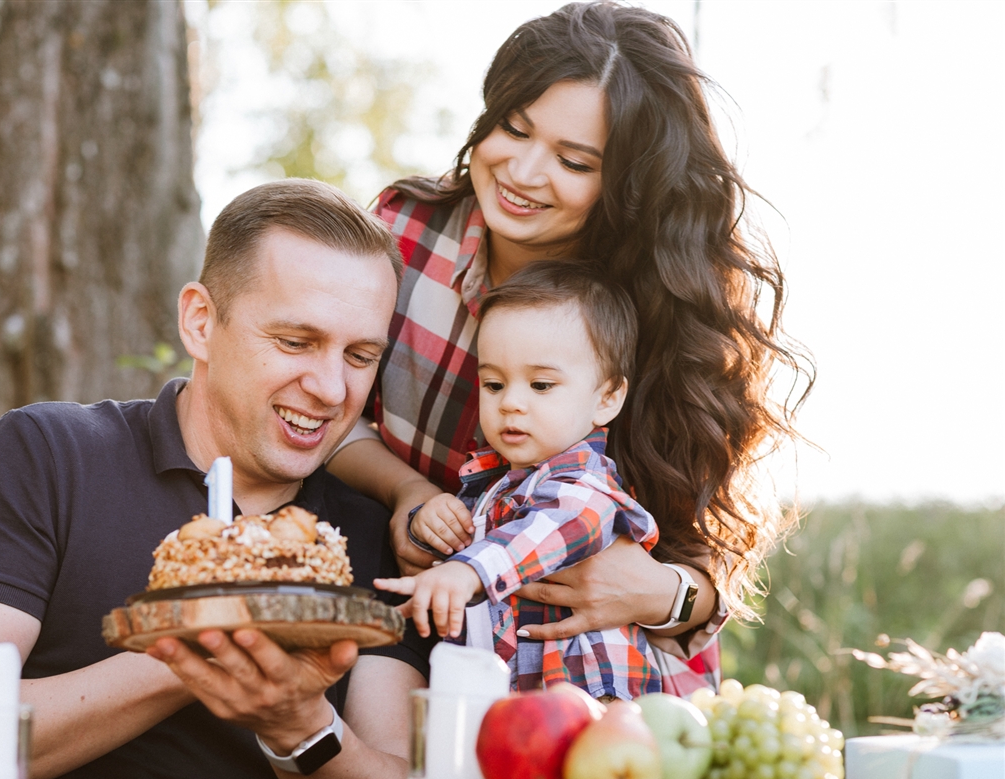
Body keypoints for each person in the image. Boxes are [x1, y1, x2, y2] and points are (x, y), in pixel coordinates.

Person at [0, 179, 433, 779]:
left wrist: (300, 724)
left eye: (359, 356)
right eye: (295, 342)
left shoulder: (368, 533)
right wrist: (185, 658)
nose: (330, 388)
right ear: (199, 322)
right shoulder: (48, 458)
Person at [327, 1, 812, 697]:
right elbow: (332, 412)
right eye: (512, 129)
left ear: (626, 184)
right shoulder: (404, 234)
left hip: (604, 678)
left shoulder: (665, 310)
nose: (523, 171)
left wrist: (653, 594)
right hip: (414, 635)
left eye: (573, 160)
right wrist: (406, 492)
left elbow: (707, 574)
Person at [376, 262, 663, 699]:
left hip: (592, 706)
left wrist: (466, 569)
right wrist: (429, 523)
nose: (511, 402)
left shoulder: (585, 485)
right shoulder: (491, 486)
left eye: (541, 385)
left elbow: (559, 526)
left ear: (607, 398)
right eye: (493, 384)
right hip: (514, 706)